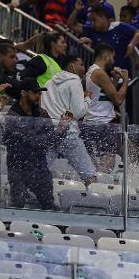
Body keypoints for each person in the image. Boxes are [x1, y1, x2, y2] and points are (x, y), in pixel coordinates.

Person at [41, 55, 97, 185]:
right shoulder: (74, 81)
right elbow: (78, 113)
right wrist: (88, 98)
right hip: (68, 135)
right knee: (90, 177)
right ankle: (94, 203)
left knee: (41, 172)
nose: (84, 69)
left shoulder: (48, 83)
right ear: (71, 65)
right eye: (81, 65)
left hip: (51, 133)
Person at [4, 78, 58, 210]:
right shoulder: (12, 116)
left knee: (48, 204)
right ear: (23, 93)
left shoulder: (42, 113)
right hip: (18, 167)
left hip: (39, 165)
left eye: (40, 93)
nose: (38, 96)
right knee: (18, 204)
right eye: (35, 93)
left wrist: (63, 129)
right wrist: (57, 132)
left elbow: (52, 141)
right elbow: (33, 141)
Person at [83, 43, 128, 171]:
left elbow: (105, 96)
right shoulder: (99, 73)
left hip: (93, 123)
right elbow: (118, 100)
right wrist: (125, 81)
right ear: (106, 56)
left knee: (95, 166)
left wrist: (114, 79)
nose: (113, 61)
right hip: (101, 125)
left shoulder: (93, 71)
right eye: (112, 57)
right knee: (106, 167)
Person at [68, 5, 139, 73]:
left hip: (124, 72)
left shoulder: (118, 26)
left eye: (94, 20)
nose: (92, 23)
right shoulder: (92, 30)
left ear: (102, 17)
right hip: (104, 75)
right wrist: (76, 10)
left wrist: (132, 44)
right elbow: (71, 25)